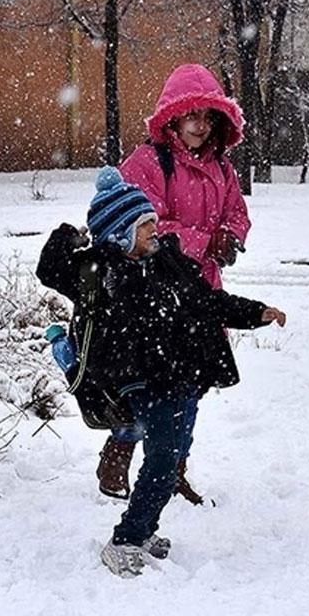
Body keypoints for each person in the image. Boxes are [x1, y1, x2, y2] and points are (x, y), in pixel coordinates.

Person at [36, 167, 286, 577]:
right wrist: (69, 236)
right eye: (144, 224)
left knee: (167, 459)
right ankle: (125, 540)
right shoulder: (99, 272)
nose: (154, 229)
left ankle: (143, 528)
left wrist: (256, 312)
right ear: (119, 233)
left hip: (179, 373)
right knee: (163, 460)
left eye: (152, 221)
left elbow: (211, 301)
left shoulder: (170, 263)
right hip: (139, 379)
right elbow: (50, 269)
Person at [96, 63, 252, 502]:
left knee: (194, 385)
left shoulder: (223, 168)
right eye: (192, 115)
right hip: (155, 295)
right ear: (172, 117)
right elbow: (143, 227)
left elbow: (237, 213)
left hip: (202, 292)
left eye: (208, 116)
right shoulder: (148, 162)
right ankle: (120, 451)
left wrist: (232, 237)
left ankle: (172, 468)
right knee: (149, 384)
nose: (200, 125)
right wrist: (204, 240)